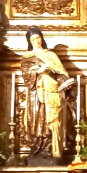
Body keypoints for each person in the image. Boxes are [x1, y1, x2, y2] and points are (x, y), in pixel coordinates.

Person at [21, 27, 71, 158]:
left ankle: (49, 148)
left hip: (52, 91)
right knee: (37, 119)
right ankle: (37, 147)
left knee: (51, 119)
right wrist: (38, 71)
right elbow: (26, 77)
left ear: (42, 38)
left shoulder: (51, 55)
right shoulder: (27, 57)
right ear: (29, 41)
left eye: (38, 38)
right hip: (36, 94)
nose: (36, 41)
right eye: (33, 39)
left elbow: (61, 73)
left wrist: (64, 82)